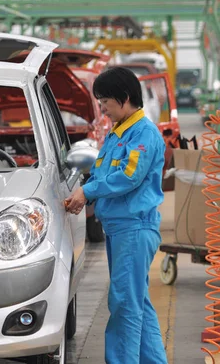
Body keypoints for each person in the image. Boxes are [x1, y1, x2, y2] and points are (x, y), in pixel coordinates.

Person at [64, 66, 168, 364]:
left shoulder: (143, 134)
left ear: (124, 99)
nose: (103, 109)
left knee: (124, 304)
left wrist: (88, 192)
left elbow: (129, 176)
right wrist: (85, 191)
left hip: (134, 229)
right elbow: (102, 173)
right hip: (119, 228)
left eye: (105, 102)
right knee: (137, 303)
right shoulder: (117, 133)